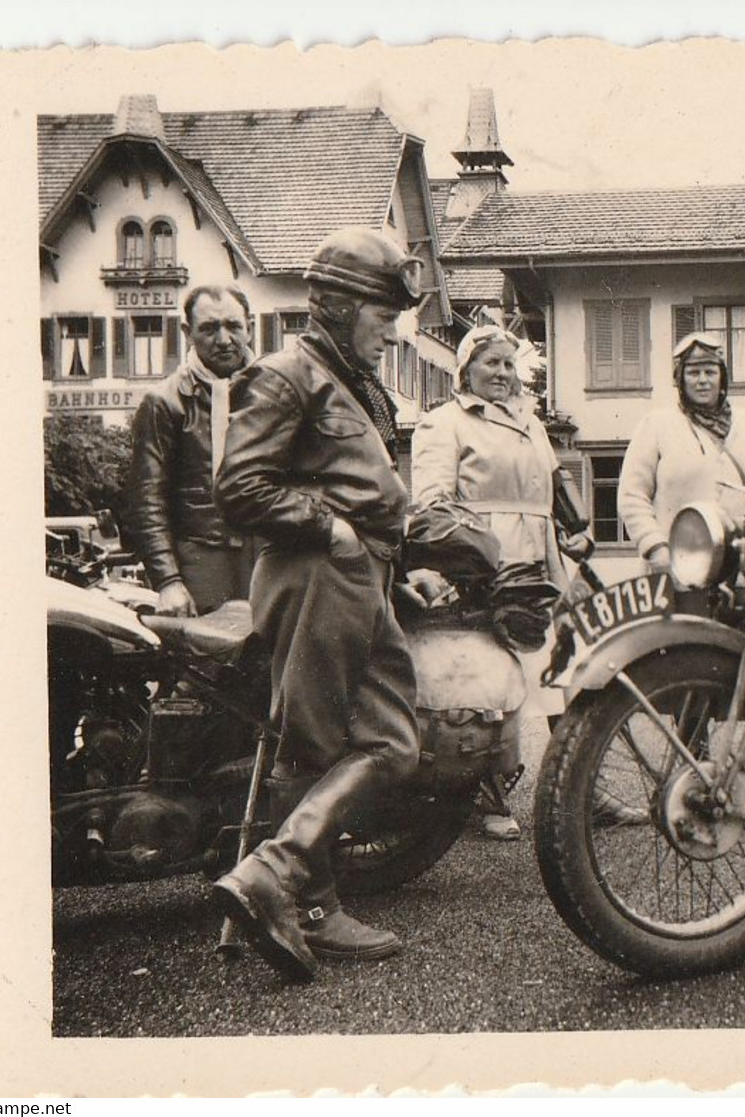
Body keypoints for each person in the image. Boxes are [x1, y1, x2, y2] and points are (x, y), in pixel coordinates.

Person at [210, 227, 444, 982]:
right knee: (311, 742)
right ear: (342, 306)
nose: (391, 330)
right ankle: (308, 908)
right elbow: (240, 486)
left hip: (356, 575)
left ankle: (271, 873)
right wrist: (332, 528)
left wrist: (385, 561)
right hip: (315, 573)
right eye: (383, 313)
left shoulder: (347, 380)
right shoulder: (286, 375)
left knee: (392, 744)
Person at [409, 324, 568, 840]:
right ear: (465, 371)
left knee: (560, 674)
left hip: (537, 565)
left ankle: (582, 782)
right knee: (488, 687)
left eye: (507, 364)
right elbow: (433, 501)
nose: (501, 374)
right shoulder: (445, 423)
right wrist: (467, 559)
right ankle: (488, 794)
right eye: (490, 364)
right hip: (481, 566)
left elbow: (548, 496)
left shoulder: (532, 425)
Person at [123, 285, 256, 615]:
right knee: (209, 661)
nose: (224, 339)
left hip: (269, 559)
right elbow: (147, 498)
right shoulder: (163, 401)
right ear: (187, 332)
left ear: (249, 327)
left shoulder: (274, 391)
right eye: (209, 328)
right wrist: (168, 581)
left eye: (233, 326)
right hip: (201, 562)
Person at [618, 331, 745, 572]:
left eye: (710, 372)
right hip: (677, 567)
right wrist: (655, 547)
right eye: (693, 373)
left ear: (722, 378)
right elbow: (632, 496)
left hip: (741, 571)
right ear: (680, 379)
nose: (702, 380)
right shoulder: (656, 425)